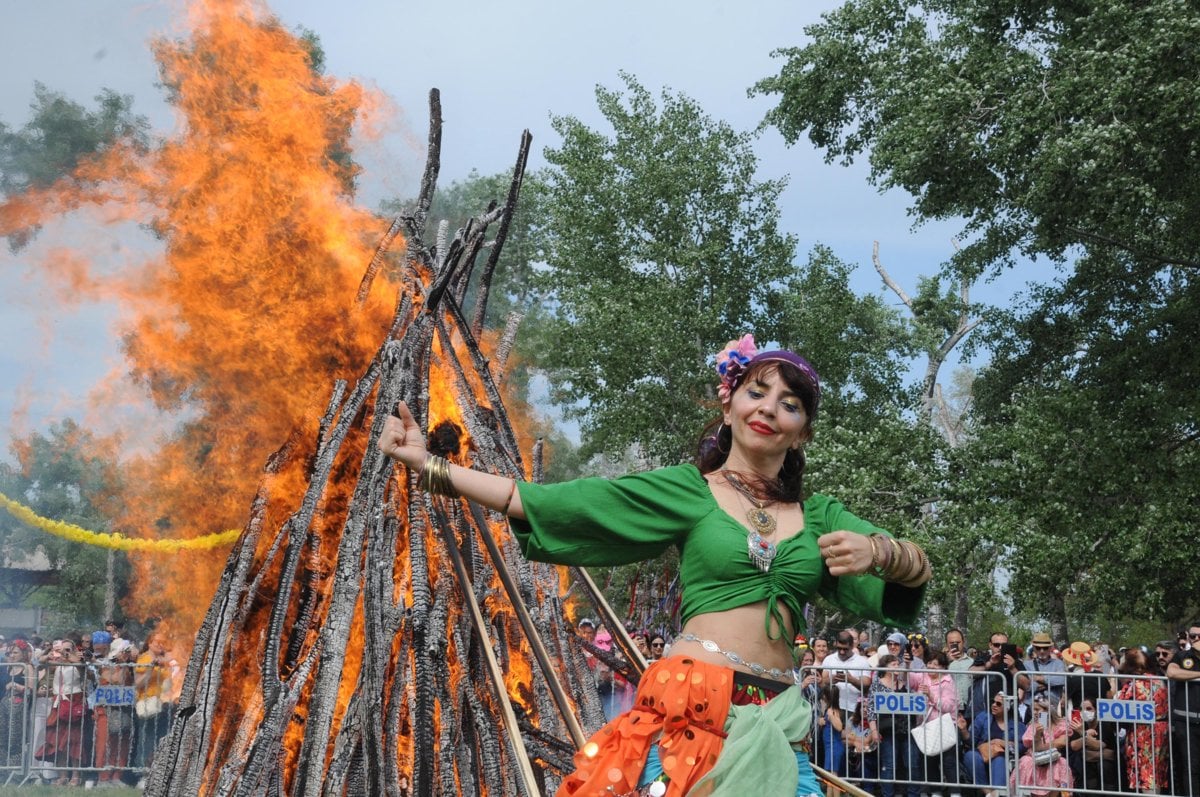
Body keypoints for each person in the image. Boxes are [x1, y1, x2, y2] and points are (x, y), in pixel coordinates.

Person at [380, 335, 932, 797]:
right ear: (729, 405)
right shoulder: (689, 491)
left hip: (779, 725)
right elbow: (550, 502)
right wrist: (430, 467)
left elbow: (915, 575)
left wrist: (880, 553)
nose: (768, 408)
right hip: (689, 712)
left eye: (789, 403)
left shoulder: (821, 517)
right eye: (756, 392)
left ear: (803, 430)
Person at [905, 649, 966, 797]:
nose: (931, 666)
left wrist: (930, 695)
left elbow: (948, 707)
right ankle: (936, 792)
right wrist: (907, 665)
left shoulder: (948, 681)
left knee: (949, 763)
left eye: (936, 664)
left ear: (944, 667)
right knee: (930, 762)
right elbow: (907, 678)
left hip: (945, 726)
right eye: (929, 663)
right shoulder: (922, 676)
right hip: (926, 727)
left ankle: (955, 793)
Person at [1116, 647, 1169, 793]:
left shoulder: (1134, 684)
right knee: (1156, 772)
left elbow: (1120, 709)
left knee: (1146, 773)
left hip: (1143, 732)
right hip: (1161, 729)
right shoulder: (1159, 680)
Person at [963, 690, 1025, 797]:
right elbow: (972, 741)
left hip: (1002, 755)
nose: (994, 705)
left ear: (1008, 707)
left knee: (999, 760)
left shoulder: (1017, 725)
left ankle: (998, 794)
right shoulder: (983, 717)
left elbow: (1022, 747)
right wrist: (964, 730)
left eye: (998, 703)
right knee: (971, 756)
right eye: (993, 701)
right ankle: (989, 793)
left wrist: (1002, 743)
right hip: (981, 753)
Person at [865, 654, 910, 797]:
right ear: (885, 667)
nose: (897, 667)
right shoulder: (877, 684)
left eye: (898, 664)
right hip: (887, 730)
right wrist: (873, 730)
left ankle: (901, 793)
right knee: (889, 765)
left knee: (905, 764)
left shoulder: (903, 683)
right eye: (893, 664)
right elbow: (871, 709)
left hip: (904, 730)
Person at [1011, 696, 1073, 797]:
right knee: (1026, 762)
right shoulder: (1032, 726)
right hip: (1034, 759)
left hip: (1054, 758)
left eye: (1037, 709)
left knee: (1061, 763)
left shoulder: (1061, 724)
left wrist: (1042, 745)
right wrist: (1038, 736)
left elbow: (1062, 742)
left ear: (1048, 710)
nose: (1034, 712)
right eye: (1033, 709)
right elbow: (1037, 748)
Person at [1166, 621, 1200, 797]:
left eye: (1199, 636)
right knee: (1191, 768)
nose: (1196, 639)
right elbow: (1172, 673)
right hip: (1186, 722)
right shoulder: (1181, 656)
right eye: (1192, 636)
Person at [1065, 696, 1118, 793]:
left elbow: (1098, 746)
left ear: (1097, 710)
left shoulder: (1104, 725)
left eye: (1089, 709)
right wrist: (1085, 736)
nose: (1085, 712)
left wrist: (1083, 734)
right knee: (1082, 763)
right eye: (1082, 709)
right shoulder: (1079, 724)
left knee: (1102, 765)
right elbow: (1074, 746)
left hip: (1106, 765)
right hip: (1088, 764)